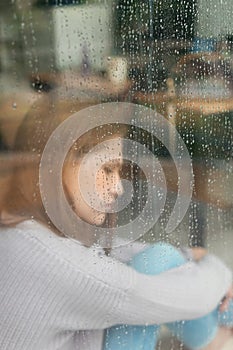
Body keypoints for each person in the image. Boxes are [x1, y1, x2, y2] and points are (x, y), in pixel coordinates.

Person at [0, 94, 232, 350]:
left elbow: (102, 256)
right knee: (160, 267)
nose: (119, 188)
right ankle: (219, 342)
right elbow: (156, 295)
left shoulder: (22, 233)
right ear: (58, 164)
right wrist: (220, 272)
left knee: (162, 259)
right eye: (107, 170)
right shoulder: (49, 260)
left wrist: (188, 256)